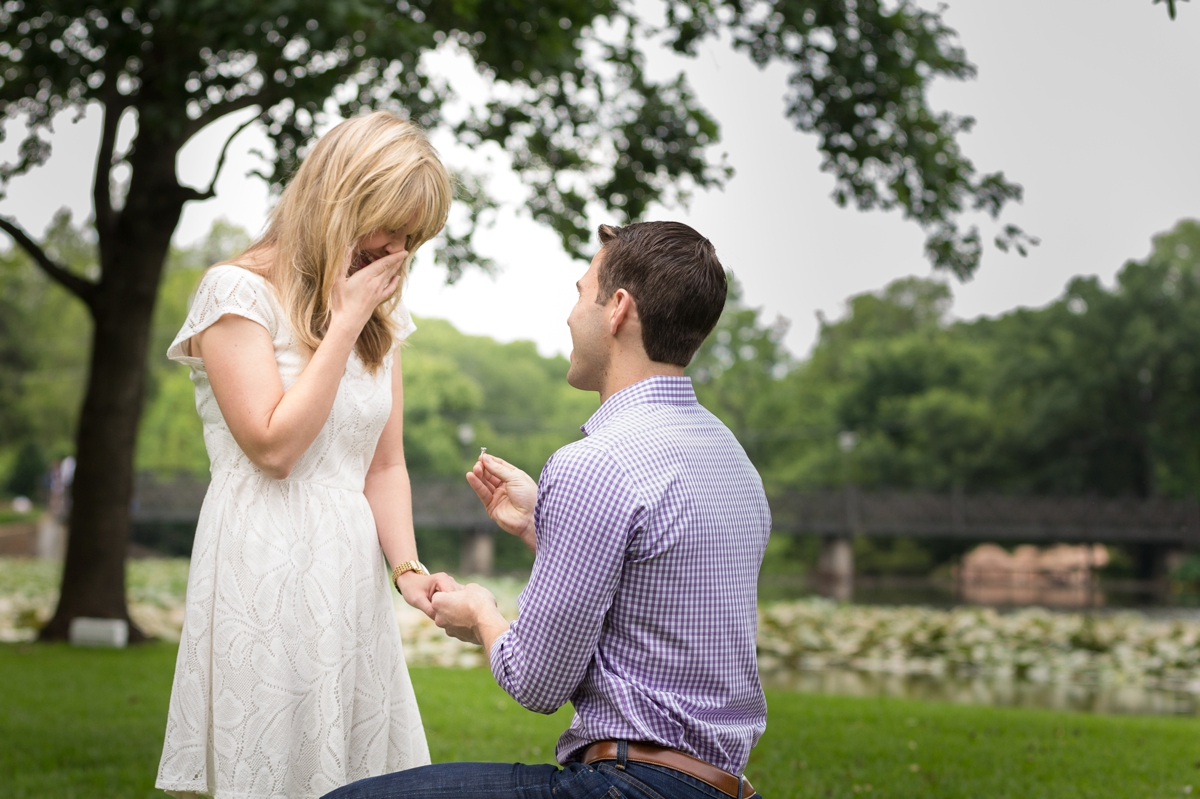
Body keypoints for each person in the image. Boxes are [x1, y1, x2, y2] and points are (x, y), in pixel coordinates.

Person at [324, 221, 771, 799]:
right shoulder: (730, 459)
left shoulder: (596, 463)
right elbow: (656, 588)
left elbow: (536, 681)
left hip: (630, 785)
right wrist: (546, 524)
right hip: (720, 787)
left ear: (616, 309)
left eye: (580, 292)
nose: (569, 314)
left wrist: (481, 613)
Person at [156, 112, 459, 799]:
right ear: (342, 198)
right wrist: (345, 320)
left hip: (346, 567)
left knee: (360, 778)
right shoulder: (235, 292)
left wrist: (407, 567)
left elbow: (384, 465)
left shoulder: (382, 315)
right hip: (263, 559)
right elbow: (273, 446)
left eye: (413, 237)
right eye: (390, 225)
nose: (397, 249)